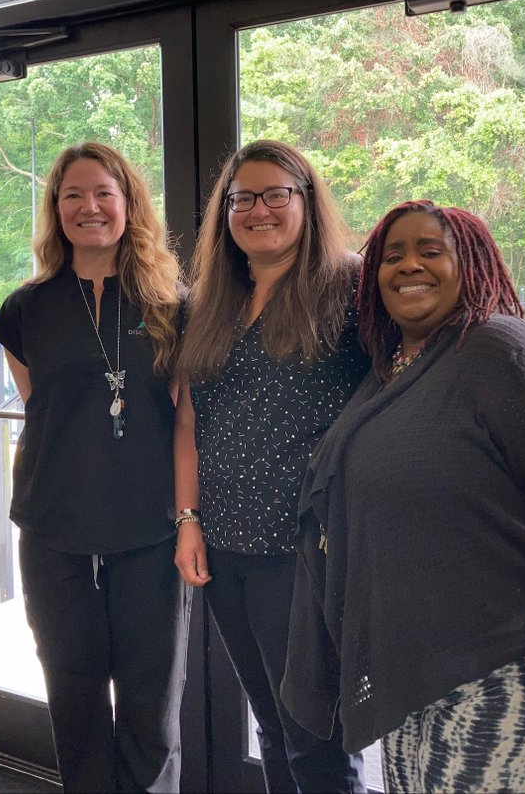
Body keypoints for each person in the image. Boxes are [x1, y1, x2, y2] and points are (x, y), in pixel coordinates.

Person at [282, 200, 525, 793]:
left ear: (472, 262)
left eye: (432, 250)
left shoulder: (504, 348)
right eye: (393, 255)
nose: (410, 266)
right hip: (433, 659)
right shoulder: (394, 367)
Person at [0, 142, 191, 793]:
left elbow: (186, 420)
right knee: (72, 698)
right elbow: (41, 408)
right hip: (53, 529)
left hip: (151, 531)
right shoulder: (26, 308)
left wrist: (189, 518)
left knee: (150, 704)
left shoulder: (173, 305)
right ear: (55, 209)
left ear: (129, 204)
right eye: (72, 195)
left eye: (103, 192)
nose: (89, 207)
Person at [175, 140, 367, 793]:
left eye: (275, 193)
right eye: (242, 198)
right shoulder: (209, 302)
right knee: (272, 726)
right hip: (227, 546)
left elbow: (420, 364)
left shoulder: (350, 285)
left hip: (308, 548)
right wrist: (190, 520)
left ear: (306, 200)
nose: (258, 209)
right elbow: (191, 422)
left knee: (316, 737)